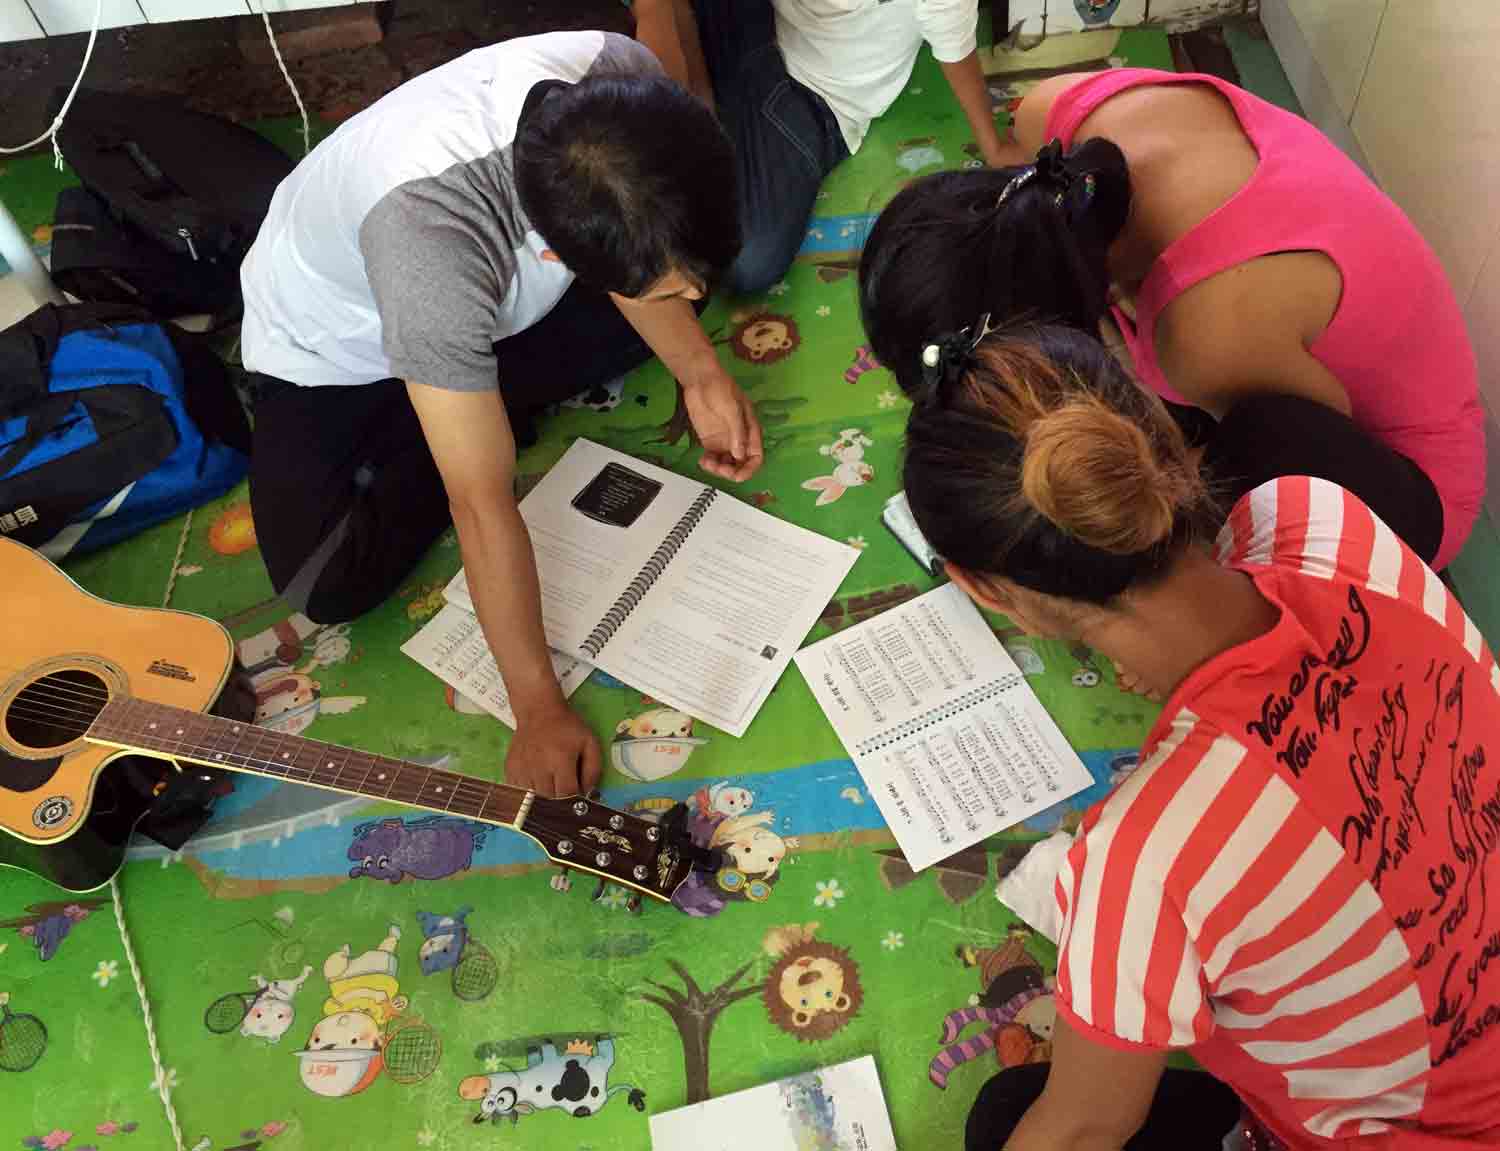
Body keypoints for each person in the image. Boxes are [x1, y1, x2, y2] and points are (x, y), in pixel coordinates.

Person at [901, 324, 1500, 1150]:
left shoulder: (1144, 859)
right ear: (1160, 444)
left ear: (987, 591)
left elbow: (1083, 1129)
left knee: (1008, 1117)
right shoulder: (1316, 514)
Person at [240, 32, 764, 799]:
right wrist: (538, 707)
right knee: (326, 580)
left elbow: (642, 232)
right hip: (338, 347)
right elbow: (479, 505)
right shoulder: (428, 243)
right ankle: (457, 403)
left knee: (681, 290)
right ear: (555, 254)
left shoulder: (622, 78)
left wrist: (702, 372)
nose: (679, 303)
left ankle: (468, 393)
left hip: (485, 307)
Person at [860, 68, 1484, 571]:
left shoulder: (1206, 338)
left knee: (1142, 522)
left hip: (1401, 490)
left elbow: (1303, 472)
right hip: (1280, 381)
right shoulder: (1053, 116)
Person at [633, 0, 1006, 295]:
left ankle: (704, 98)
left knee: (741, 258)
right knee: (741, 255)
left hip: (807, 89)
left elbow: (952, 39)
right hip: (784, 62)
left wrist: (993, 145)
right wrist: (993, 145)